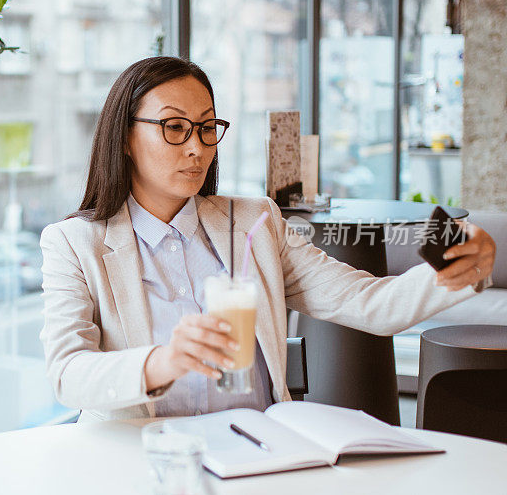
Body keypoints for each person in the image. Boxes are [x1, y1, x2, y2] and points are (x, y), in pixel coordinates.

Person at [39, 56, 496, 424]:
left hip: (256, 450)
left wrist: (458, 268)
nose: (197, 147)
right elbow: (67, 372)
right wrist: (165, 360)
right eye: (173, 128)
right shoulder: (74, 243)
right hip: (142, 459)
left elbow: (370, 304)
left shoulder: (256, 221)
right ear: (124, 137)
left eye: (206, 127)